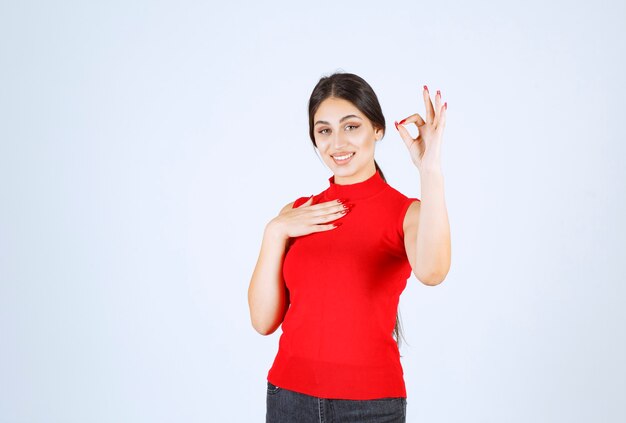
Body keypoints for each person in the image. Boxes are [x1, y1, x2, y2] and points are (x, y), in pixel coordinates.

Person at [248, 72, 451, 423]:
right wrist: (274, 231)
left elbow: (433, 272)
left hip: (370, 406)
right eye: (324, 130)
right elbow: (263, 321)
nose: (337, 142)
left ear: (378, 129)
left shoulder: (408, 214)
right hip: (288, 398)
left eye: (351, 126)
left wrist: (429, 169)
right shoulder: (296, 214)